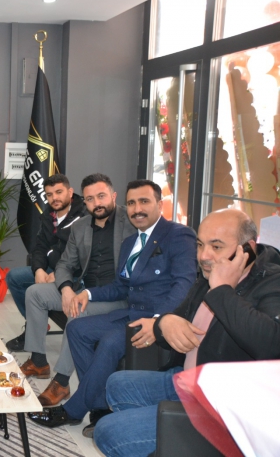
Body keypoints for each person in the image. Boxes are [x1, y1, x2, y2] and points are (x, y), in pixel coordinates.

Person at [93, 209, 280, 456]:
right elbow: (175, 320)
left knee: (107, 431)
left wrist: (222, 290)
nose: (203, 256)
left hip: (223, 406)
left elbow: (271, 345)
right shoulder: (207, 275)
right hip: (189, 378)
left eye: (216, 246)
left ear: (248, 249)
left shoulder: (272, 283)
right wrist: (164, 322)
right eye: (200, 245)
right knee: (116, 384)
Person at [28, 179, 198, 437]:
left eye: (144, 201)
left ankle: (72, 410)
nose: (137, 209)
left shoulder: (177, 234)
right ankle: (99, 406)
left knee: (109, 342)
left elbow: (184, 283)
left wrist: (158, 320)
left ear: (159, 204)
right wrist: (87, 293)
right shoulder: (132, 243)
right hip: (131, 312)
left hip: (155, 319)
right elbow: (121, 286)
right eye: (132, 203)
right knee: (76, 329)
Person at [20, 173, 136, 406]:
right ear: (84, 200)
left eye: (102, 196)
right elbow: (65, 264)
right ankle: (39, 360)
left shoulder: (130, 222)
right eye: (90, 199)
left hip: (118, 295)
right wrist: (65, 288)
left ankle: (62, 381)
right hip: (83, 288)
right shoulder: (81, 226)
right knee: (35, 293)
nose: (97, 203)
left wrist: (77, 296)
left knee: (77, 311)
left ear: (114, 196)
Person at [6, 174, 87, 351]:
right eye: (49, 194)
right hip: (51, 268)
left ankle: (34, 331)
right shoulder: (48, 216)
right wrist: (38, 270)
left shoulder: (84, 217)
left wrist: (59, 274)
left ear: (70, 192)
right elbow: (39, 247)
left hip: (73, 274)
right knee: (14, 277)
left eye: (59, 192)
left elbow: (82, 256)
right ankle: (35, 324)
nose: (54, 198)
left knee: (35, 291)